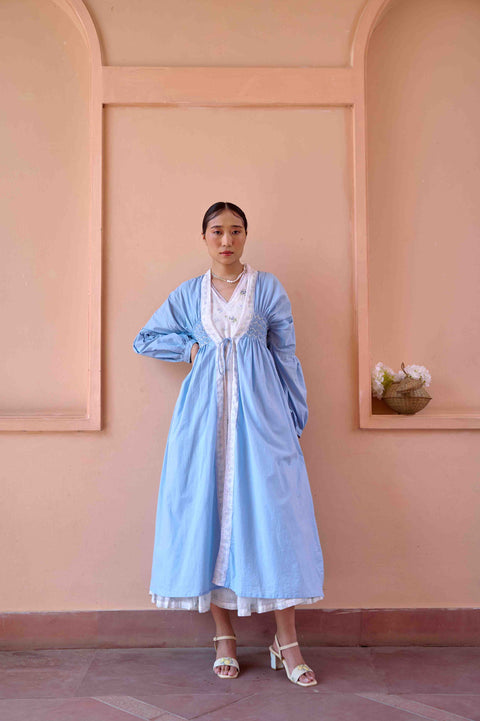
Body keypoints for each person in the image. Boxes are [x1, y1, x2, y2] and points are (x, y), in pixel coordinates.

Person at [132, 201, 325, 687]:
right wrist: (189, 347)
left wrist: (293, 418)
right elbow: (145, 338)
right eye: (217, 231)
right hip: (203, 423)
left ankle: (287, 641)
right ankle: (224, 637)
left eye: (235, 230)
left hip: (263, 420)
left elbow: (287, 355)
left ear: (245, 236)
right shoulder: (189, 294)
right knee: (208, 515)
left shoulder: (268, 288)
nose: (226, 240)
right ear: (204, 237)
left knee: (276, 521)